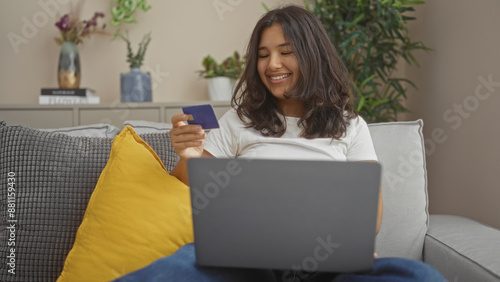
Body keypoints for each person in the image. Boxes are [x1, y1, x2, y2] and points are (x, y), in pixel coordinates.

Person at [116, 5, 445, 282]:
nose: (272, 64)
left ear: (312, 57)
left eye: (286, 52)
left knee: (420, 276)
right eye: (263, 55)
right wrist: (190, 156)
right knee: (171, 270)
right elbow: (191, 191)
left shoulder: (350, 125)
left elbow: (369, 219)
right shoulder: (238, 121)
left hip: (325, 264)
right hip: (241, 261)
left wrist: (348, 244)